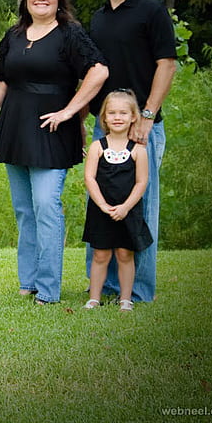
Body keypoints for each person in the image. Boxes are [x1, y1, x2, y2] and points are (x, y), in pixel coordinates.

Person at [0, 0, 108, 305]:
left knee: (47, 206)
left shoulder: (70, 35)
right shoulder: (15, 35)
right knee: (24, 209)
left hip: (52, 131)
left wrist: (70, 111)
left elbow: (99, 71)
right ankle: (28, 281)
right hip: (14, 128)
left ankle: (48, 289)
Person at [86, 0, 177, 303]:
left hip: (142, 126)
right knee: (103, 205)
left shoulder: (152, 11)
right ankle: (107, 288)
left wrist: (148, 116)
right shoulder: (99, 18)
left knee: (139, 206)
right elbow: (94, 74)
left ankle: (138, 291)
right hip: (105, 128)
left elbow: (166, 65)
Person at [83, 89, 153, 312]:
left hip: (128, 211)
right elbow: (89, 178)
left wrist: (125, 207)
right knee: (101, 254)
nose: (117, 117)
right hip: (101, 210)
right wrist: (102, 205)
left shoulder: (138, 151)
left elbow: (142, 183)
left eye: (123, 112)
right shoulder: (97, 147)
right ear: (104, 117)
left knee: (125, 253)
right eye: (112, 112)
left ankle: (125, 299)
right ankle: (94, 298)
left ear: (134, 116)